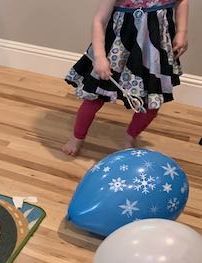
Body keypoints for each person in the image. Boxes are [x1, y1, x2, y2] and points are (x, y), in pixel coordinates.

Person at [63, 0, 189, 156]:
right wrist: (100, 56)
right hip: (118, 48)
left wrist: (182, 31)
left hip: (153, 52)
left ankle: (130, 137)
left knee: (151, 102)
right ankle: (77, 136)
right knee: (94, 96)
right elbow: (99, 21)